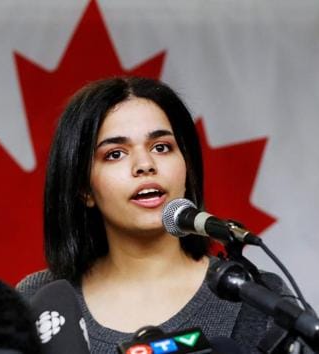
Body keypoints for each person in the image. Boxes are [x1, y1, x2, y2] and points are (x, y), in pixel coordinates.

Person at [17, 77, 291, 353]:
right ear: (84, 189)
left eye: (161, 147)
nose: (145, 165)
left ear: (187, 169)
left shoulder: (255, 295)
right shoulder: (37, 301)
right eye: (115, 154)